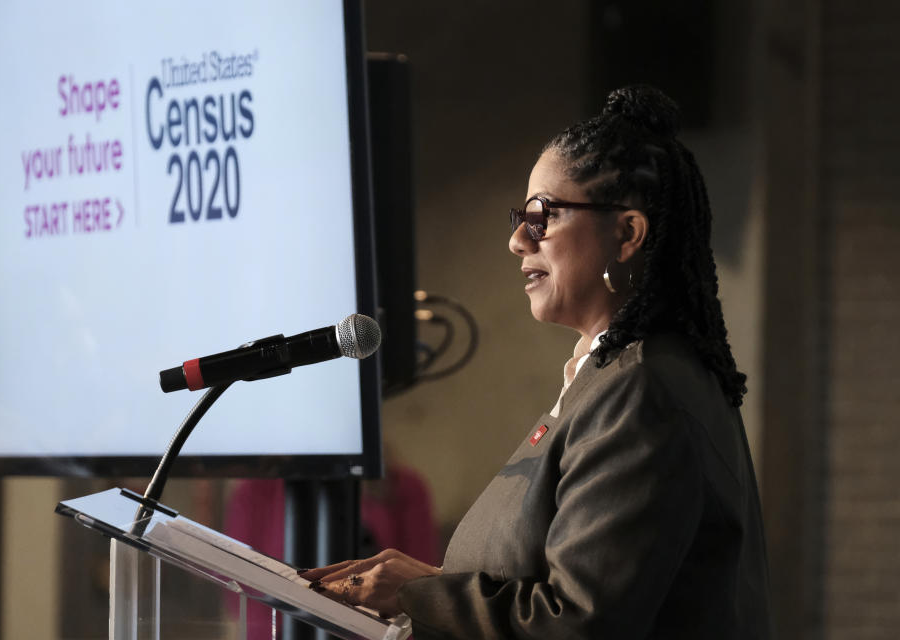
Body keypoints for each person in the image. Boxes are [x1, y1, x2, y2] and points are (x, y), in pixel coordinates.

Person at [301, 85, 771, 639]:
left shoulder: (642, 390)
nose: (518, 241)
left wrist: (416, 593)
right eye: (520, 217)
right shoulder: (609, 376)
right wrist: (422, 588)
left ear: (626, 234)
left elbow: (579, 622)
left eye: (541, 216)